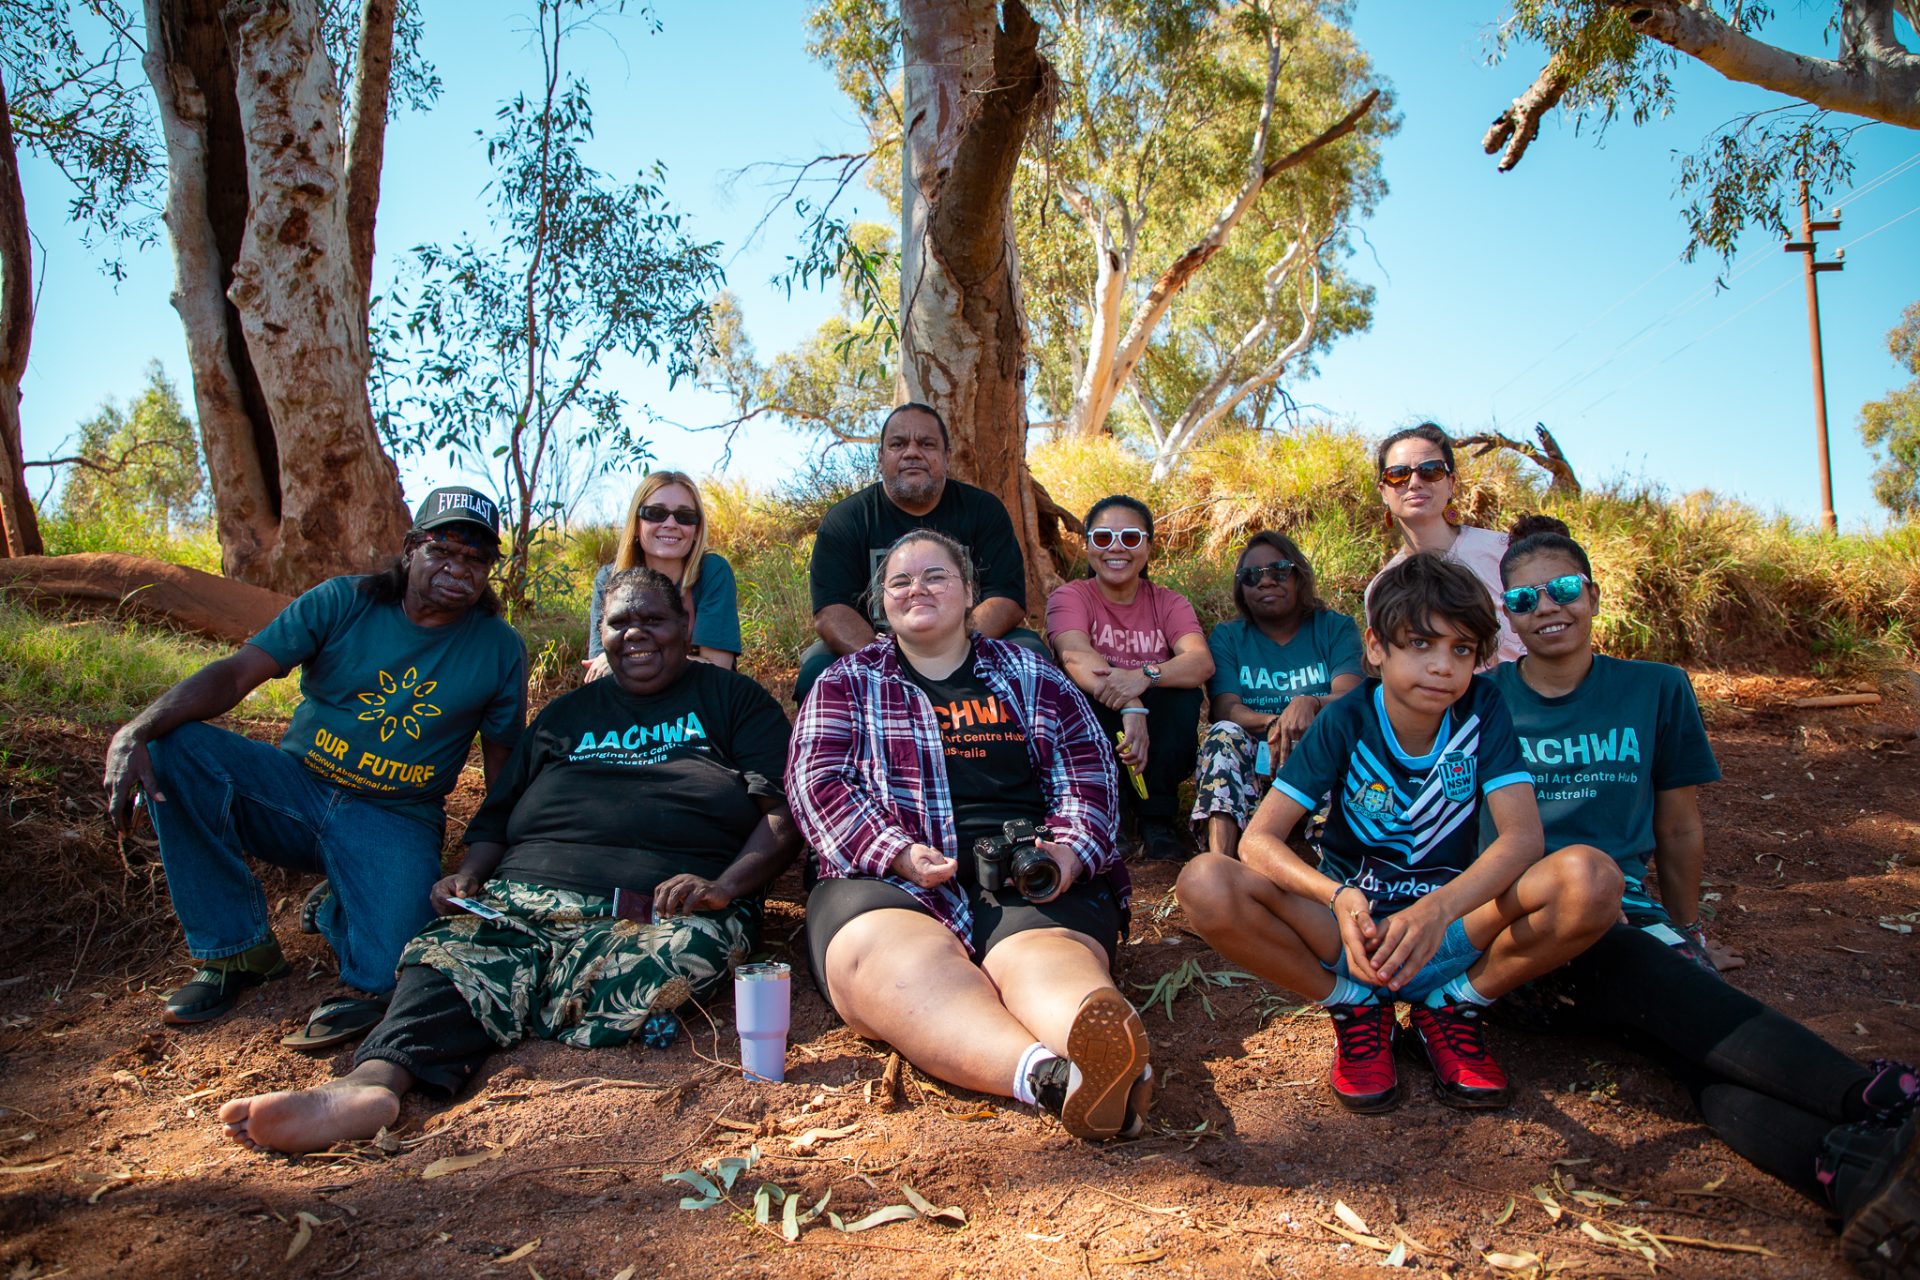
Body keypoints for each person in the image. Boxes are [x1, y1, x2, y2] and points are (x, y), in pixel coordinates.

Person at [216, 568, 801, 1154]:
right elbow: (496, 818)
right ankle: (370, 1084)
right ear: (601, 632)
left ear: (685, 624)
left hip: (656, 908)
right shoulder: (565, 715)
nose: (636, 634)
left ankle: (505, 1001)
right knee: (444, 951)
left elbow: (782, 816)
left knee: (687, 952)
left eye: (653, 619)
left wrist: (724, 886)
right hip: (525, 895)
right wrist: (470, 873)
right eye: (620, 622)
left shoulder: (735, 701)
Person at [1490, 515, 1918, 1277]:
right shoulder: (1482, 701)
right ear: (1507, 615)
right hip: (1527, 934)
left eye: (1561, 589)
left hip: (1633, 926)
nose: (1546, 607)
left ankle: (1853, 1171)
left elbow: (1679, 828)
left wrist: (1687, 931)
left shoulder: (1656, 689)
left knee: (1690, 1053)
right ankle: (1880, 1102)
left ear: (1592, 593)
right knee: (1637, 969)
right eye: (1523, 600)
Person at [1176, 552, 1620, 1114]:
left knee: (1591, 877)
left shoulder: (1485, 709)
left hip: (1452, 931)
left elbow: (1522, 840)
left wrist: (1438, 910)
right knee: (1205, 881)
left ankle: (1453, 1005)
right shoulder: (1346, 718)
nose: (1443, 667)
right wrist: (1336, 897)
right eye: (1420, 644)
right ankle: (1355, 1008)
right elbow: (1257, 841)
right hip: (1351, 935)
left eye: (1461, 650)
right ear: (1376, 648)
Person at [102, 487, 527, 1047]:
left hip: (394, 817)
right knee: (173, 747)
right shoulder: (341, 602)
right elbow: (234, 677)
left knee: (387, 974)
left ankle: (339, 907)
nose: (459, 568)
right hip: (292, 792)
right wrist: (137, 728)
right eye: (443, 549)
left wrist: (488, 866)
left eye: (477, 559)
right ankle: (235, 952)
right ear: (409, 550)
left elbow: (503, 771)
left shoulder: (499, 648)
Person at [789, 530, 1152, 1140]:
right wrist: (894, 851)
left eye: (935, 576)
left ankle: (1104, 1045)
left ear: (968, 592)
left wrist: (1067, 852)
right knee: (898, 964)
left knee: (1046, 961)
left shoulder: (1030, 675)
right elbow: (816, 781)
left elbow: (1087, 773)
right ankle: (1052, 1079)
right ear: (882, 603)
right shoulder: (846, 682)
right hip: (888, 879)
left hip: (1023, 872)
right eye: (899, 581)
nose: (916, 589)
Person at [795, 402, 1044, 704]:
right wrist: (888, 662)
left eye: (927, 444)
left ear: (946, 457)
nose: (912, 452)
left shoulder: (983, 510)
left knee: (1032, 651)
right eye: (898, 444)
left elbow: (1005, 598)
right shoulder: (846, 519)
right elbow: (832, 612)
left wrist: (952, 651)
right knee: (817, 668)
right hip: (875, 650)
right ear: (880, 457)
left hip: (968, 642)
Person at [1047, 495, 1213, 863]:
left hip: (1155, 733)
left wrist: (1145, 677)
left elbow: (1200, 661)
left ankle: (1157, 816)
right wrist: (1131, 702)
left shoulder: (1169, 602)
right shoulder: (1071, 597)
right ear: (1088, 545)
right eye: (1104, 538)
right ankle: (1109, 811)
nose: (1116, 548)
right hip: (1104, 717)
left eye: (1131, 538)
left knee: (1181, 697)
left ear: (1148, 547)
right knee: (1082, 693)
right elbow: (1074, 653)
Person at [1192, 531, 1364, 859]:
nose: (1266, 582)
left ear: (1300, 576)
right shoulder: (1229, 637)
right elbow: (1226, 707)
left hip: (1319, 751)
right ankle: (1221, 862)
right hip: (1257, 755)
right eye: (1251, 576)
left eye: (1279, 571)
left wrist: (1310, 703)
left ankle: (1339, 868)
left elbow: (1351, 695)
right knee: (1220, 735)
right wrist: (1276, 722)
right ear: (1241, 589)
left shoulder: (1334, 628)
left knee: (1342, 741)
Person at [1367, 423, 1523, 668]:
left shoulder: (1504, 551)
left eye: (1430, 470)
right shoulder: (1381, 587)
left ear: (1450, 483)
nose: (1415, 482)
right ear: (1384, 492)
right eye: (1398, 474)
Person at [585, 470, 740, 675]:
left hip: (697, 700)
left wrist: (634, 661)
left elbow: (717, 668)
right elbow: (599, 669)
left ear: (696, 530)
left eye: (685, 517)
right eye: (655, 513)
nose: (670, 524)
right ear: (636, 523)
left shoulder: (712, 572)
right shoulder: (609, 579)